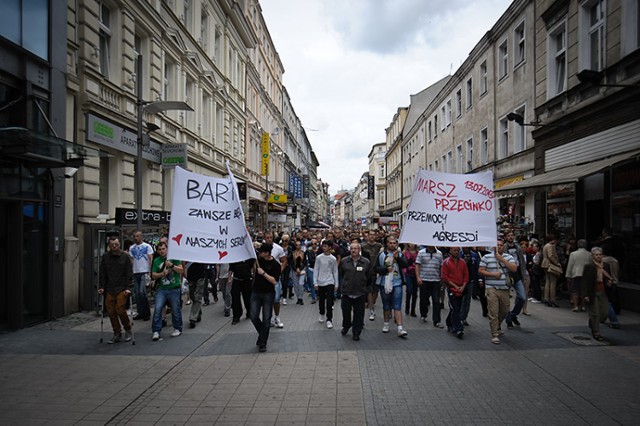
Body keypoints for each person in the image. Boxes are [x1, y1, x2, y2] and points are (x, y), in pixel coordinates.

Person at [479, 238, 517, 344]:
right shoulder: (486, 257)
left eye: (501, 245)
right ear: (493, 247)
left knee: (505, 311)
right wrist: (493, 275)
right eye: (497, 245)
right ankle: (494, 333)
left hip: (504, 288)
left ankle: (498, 324)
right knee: (493, 311)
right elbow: (481, 270)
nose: (499, 246)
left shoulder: (508, 257)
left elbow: (514, 269)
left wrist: (502, 259)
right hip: (491, 288)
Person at [98, 237, 133, 344]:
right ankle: (117, 332)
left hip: (121, 287)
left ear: (119, 245)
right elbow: (102, 272)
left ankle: (127, 329)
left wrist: (128, 287)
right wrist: (102, 286)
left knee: (120, 309)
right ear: (109, 245)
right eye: (112, 244)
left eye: (116, 244)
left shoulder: (125, 257)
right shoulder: (105, 257)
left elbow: (129, 273)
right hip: (110, 287)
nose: (114, 246)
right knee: (111, 311)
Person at [374, 236, 409, 337]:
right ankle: (386, 324)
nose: (392, 245)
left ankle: (400, 328)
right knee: (386, 305)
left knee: (397, 305)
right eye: (390, 243)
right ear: (386, 244)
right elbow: (375, 268)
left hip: (397, 282)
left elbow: (405, 265)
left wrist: (398, 258)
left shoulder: (399, 254)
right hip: (384, 283)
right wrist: (385, 269)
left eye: (394, 243)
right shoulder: (381, 255)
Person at [251, 243, 281, 352]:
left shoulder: (275, 265)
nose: (260, 253)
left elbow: (274, 281)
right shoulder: (258, 260)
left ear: (267, 253)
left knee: (266, 318)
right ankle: (262, 334)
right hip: (256, 292)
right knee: (253, 315)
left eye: (262, 251)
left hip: (268, 294)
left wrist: (263, 273)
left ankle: (263, 342)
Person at [150, 241, 184, 340]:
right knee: (158, 308)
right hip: (162, 289)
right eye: (160, 250)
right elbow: (153, 275)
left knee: (175, 309)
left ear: (167, 249)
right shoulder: (156, 261)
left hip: (174, 288)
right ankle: (156, 330)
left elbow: (181, 270)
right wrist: (162, 274)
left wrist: (172, 266)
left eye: (163, 249)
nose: (162, 251)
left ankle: (177, 328)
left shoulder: (174, 258)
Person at [339, 241, 371, 341]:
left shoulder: (366, 262)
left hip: (360, 292)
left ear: (359, 250)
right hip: (347, 292)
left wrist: (366, 291)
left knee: (359, 314)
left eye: (355, 248)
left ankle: (356, 332)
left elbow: (369, 277)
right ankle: (346, 325)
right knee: (346, 312)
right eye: (352, 248)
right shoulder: (344, 261)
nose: (353, 250)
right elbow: (341, 274)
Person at [581, 247, 613, 341]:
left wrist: (609, 282)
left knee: (604, 312)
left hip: (603, 292)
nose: (599, 256)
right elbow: (584, 281)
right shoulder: (589, 266)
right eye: (596, 255)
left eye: (600, 254)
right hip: (593, 292)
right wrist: (585, 295)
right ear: (593, 256)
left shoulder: (606, 266)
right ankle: (596, 332)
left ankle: (592, 322)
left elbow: (608, 277)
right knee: (595, 313)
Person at [442, 247, 469, 338]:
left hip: (461, 289)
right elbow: (445, 277)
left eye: (457, 250)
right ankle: (458, 328)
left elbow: (466, 276)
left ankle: (449, 322)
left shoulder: (463, 262)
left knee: (456, 308)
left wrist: (463, 286)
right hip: (451, 289)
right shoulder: (446, 262)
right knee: (455, 308)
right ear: (450, 251)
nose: (456, 252)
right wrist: (455, 286)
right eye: (454, 250)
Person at [415, 245, 444, 328]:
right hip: (424, 279)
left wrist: (441, 277)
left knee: (436, 301)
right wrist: (418, 277)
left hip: (435, 280)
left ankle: (437, 321)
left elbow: (441, 266)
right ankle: (423, 315)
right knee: (423, 299)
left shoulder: (439, 253)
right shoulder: (421, 253)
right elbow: (417, 265)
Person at [504, 231, 528, 329]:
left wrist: (524, 275)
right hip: (508, 274)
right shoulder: (504, 247)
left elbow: (522, 261)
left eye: (512, 235)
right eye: (509, 235)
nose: (510, 237)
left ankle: (513, 314)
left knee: (522, 297)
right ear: (506, 237)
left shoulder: (518, 248)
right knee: (506, 300)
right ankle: (508, 320)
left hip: (517, 274)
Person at [314, 240, 339, 329]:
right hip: (321, 281)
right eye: (323, 246)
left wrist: (336, 284)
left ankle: (329, 319)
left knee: (329, 302)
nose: (324, 248)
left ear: (330, 247)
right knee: (321, 300)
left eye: (325, 246)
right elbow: (316, 270)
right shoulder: (319, 258)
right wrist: (315, 282)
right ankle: (321, 313)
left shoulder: (333, 258)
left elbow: (335, 271)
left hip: (330, 281)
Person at [129, 231, 153, 321]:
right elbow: (131, 260)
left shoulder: (147, 246)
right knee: (137, 293)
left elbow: (151, 258)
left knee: (142, 292)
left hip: (144, 271)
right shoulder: (132, 248)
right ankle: (140, 312)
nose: (136, 238)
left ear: (141, 237)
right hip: (136, 272)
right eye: (135, 236)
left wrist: (150, 271)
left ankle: (146, 312)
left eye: (138, 236)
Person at [264, 232, 286, 328]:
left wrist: (279, 271)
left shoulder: (278, 248)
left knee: (276, 299)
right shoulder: (261, 249)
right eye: (267, 237)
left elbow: (284, 261)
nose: (269, 239)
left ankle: (277, 317)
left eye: (271, 237)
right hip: (264, 278)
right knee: (266, 300)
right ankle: (268, 318)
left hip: (275, 278)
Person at [565, 239, 592, 312]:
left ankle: (576, 306)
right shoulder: (589, 254)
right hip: (586, 275)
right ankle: (583, 306)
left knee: (575, 290)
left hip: (576, 273)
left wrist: (568, 275)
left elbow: (570, 265)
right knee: (584, 291)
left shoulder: (573, 254)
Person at [361, 233, 382, 321]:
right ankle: (370, 306)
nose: (372, 236)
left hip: (376, 270)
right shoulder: (363, 246)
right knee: (368, 290)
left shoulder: (379, 246)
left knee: (375, 289)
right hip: (367, 271)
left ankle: (372, 303)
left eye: (374, 235)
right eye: (370, 235)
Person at [229, 258, 255, 325]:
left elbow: (253, 266)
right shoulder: (234, 258)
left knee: (248, 297)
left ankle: (249, 312)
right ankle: (236, 316)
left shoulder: (248, 257)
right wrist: (229, 279)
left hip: (247, 280)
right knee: (235, 298)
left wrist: (253, 277)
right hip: (236, 280)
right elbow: (231, 269)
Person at [460, 246, 480, 325]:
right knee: (461, 300)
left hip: (470, 280)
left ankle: (464, 317)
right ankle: (460, 317)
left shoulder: (474, 255)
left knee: (467, 300)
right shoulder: (459, 254)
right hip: (460, 281)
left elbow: (477, 267)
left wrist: (479, 278)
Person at [541, 232, 562, 307]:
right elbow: (550, 255)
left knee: (547, 281)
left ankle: (546, 298)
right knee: (553, 282)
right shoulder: (550, 246)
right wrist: (557, 263)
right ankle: (552, 299)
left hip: (545, 263)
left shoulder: (545, 246)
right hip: (550, 264)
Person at [185, 262, 207, 329]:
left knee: (198, 297)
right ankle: (198, 311)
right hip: (191, 276)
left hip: (200, 275)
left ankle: (192, 318)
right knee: (192, 296)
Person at [403, 243, 419, 317]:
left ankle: (413, 310)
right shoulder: (405, 252)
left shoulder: (418, 253)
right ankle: (407, 307)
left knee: (415, 293)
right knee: (409, 290)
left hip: (416, 274)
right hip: (408, 273)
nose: (412, 244)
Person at [291, 240, 307, 305]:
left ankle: (301, 297)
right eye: (297, 245)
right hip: (294, 270)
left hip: (302, 270)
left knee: (301, 283)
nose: (298, 246)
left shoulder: (303, 253)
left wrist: (300, 269)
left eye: (299, 245)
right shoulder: (292, 253)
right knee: (295, 285)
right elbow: (291, 263)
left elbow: (304, 262)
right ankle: (298, 298)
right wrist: (296, 269)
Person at [305, 239, 318, 304]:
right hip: (311, 269)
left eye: (315, 243)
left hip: (318, 269)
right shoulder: (309, 251)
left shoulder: (319, 251)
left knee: (318, 283)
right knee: (313, 283)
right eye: (312, 244)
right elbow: (311, 260)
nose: (314, 245)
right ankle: (313, 297)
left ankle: (318, 295)